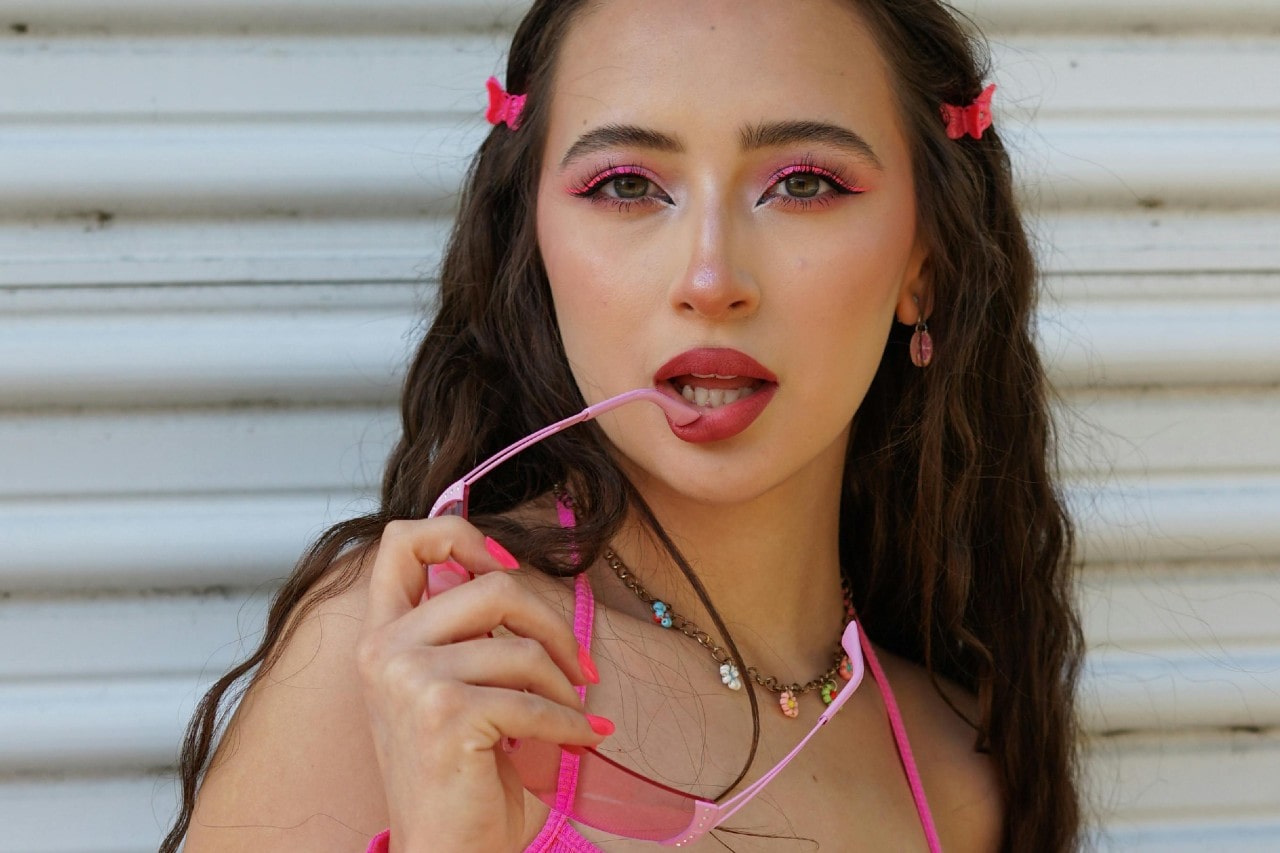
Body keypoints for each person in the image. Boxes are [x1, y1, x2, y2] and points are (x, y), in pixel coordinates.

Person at [162, 0, 1083, 850]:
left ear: (926, 261)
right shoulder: (417, 655)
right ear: (536, 247)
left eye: (803, 183)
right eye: (626, 184)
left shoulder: (959, 775)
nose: (711, 277)